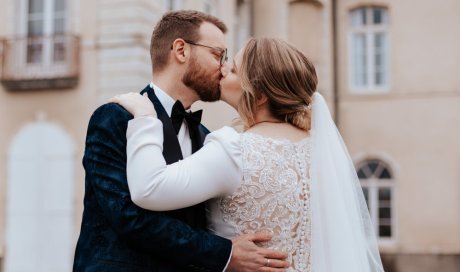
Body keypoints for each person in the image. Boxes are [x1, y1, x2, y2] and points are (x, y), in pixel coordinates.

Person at [111, 37, 386, 272]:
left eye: (231, 70)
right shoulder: (320, 151)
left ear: (260, 94)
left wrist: (146, 118)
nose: (221, 72)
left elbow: (149, 188)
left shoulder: (235, 148)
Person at [73, 11, 289, 272]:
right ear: (181, 50)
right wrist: (225, 252)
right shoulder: (114, 118)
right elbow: (128, 216)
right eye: (218, 55)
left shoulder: (207, 137)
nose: (223, 68)